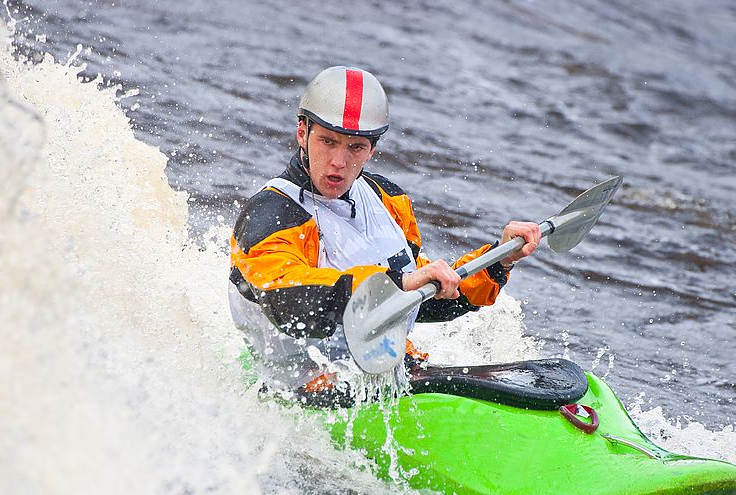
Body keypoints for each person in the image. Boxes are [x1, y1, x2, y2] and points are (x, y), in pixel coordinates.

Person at [229, 66, 540, 404]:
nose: (338, 161)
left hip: (387, 372)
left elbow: (424, 297)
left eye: (355, 148)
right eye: (328, 141)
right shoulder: (270, 215)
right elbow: (289, 301)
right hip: (307, 388)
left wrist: (499, 260)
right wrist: (393, 285)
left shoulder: (386, 199)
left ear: (372, 149)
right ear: (302, 133)